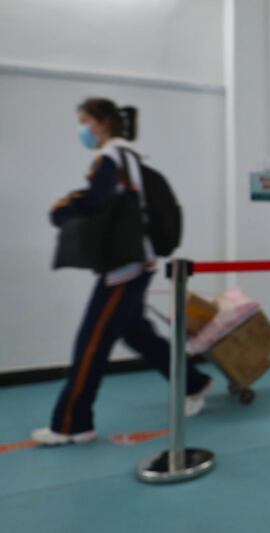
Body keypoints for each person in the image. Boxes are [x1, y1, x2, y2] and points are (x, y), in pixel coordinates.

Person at [33, 98, 212, 446]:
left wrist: (62, 209)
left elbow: (96, 200)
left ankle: (72, 424)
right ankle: (194, 382)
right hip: (136, 262)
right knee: (136, 333)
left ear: (101, 123)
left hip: (124, 268)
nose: (81, 129)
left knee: (91, 344)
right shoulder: (129, 156)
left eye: (83, 121)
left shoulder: (111, 158)